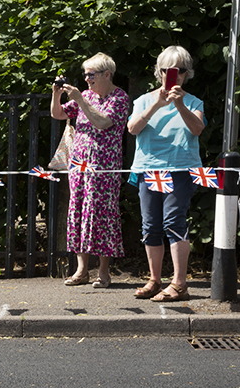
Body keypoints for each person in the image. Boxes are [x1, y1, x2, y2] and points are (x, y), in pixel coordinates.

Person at [127, 46, 206, 302]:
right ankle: (154, 280)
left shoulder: (193, 102)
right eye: (169, 71)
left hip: (180, 169)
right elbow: (132, 128)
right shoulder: (143, 100)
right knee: (150, 227)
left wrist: (179, 104)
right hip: (148, 168)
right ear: (159, 72)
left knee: (174, 222)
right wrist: (157, 105)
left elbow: (197, 130)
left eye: (181, 71)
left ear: (187, 73)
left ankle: (179, 284)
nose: (175, 76)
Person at [49, 53, 130, 288]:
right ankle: (81, 270)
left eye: (91, 74)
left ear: (107, 74)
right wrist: (56, 94)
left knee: (103, 215)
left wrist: (82, 102)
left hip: (104, 168)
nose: (87, 79)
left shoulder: (119, 98)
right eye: (85, 74)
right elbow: (58, 114)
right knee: (78, 212)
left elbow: (104, 122)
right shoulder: (85, 95)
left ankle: (103, 272)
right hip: (79, 166)